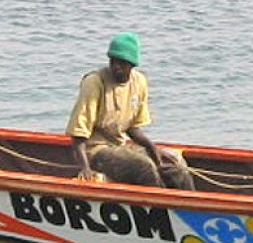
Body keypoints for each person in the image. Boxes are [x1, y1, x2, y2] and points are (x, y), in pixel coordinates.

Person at [66, 33, 195, 189]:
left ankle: (188, 205)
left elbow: (132, 128)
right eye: (113, 61)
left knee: (176, 163)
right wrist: (85, 168)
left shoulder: (139, 82)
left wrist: (153, 148)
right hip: (96, 152)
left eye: (122, 63)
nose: (116, 67)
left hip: (119, 147)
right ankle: (157, 206)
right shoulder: (95, 82)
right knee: (144, 167)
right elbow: (79, 134)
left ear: (132, 65)